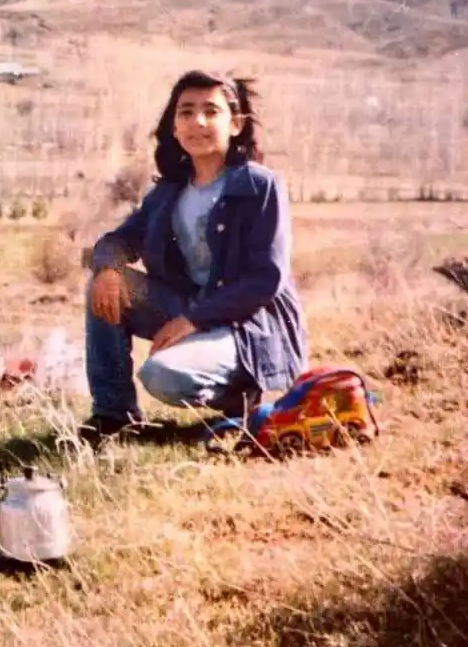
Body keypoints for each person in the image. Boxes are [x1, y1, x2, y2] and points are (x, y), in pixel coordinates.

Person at [82, 70, 307, 441]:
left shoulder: (259, 185)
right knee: (104, 285)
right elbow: (118, 240)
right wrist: (107, 266)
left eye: (211, 111)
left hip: (246, 325)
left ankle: (246, 400)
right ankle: (113, 415)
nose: (197, 122)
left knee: (162, 375)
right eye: (185, 112)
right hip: (187, 306)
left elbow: (266, 278)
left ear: (235, 124)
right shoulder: (169, 191)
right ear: (173, 127)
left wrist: (192, 319)